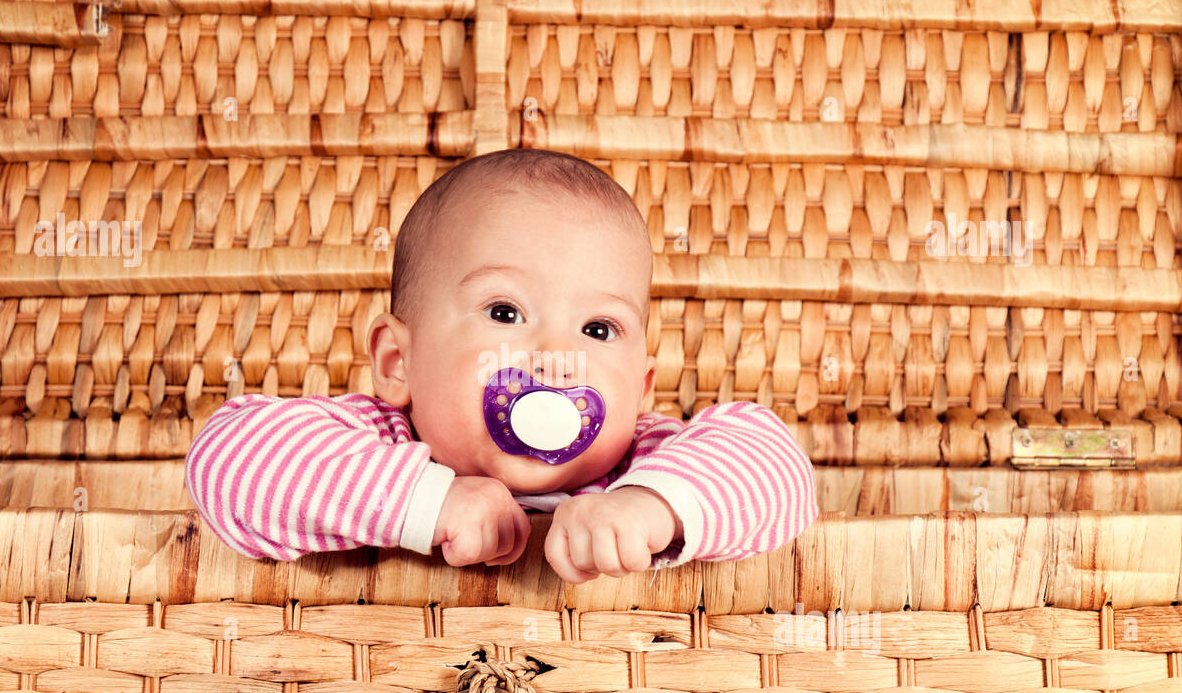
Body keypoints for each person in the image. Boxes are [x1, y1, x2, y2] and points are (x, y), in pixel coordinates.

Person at [185, 148, 818, 583]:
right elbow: (227, 458)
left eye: (598, 329)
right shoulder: (377, 441)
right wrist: (430, 501)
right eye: (505, 314)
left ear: (642, 389)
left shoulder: (645, 462)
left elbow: (779, 467)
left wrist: (650, 508)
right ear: (397, 361)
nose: (552, 359)